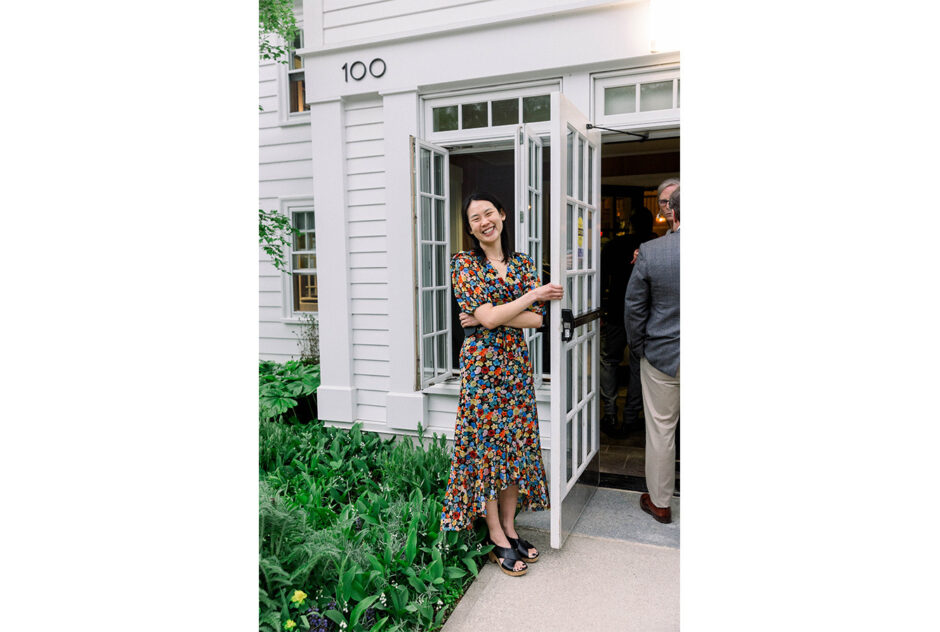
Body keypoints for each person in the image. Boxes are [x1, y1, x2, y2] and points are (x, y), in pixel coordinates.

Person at [440, 191, 564, 577]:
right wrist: (523, 300)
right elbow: (506, 315)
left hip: (515, 368)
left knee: (513, 446)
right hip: (481, 372)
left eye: (488, 213)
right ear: (471, 229)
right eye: (475, 218)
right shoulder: (464, 264)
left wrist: (489, 315)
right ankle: (495, 535)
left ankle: (511, 528)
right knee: (487, 451)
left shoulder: (523, 262)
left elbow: (537, 321)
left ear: (503, 215)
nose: (483, 221)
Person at [625, 186, 680, 524]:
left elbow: (634, 307)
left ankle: (660, 503)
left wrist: (640, 348)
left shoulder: (652, 251)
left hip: (663, 354)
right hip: (664, 352)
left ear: (671, 212)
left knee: (661, 430)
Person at [600, 207, 658, 438]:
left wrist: (601, 309)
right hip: (646, 315)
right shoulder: (657, 246)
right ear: (651, 224)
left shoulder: (614, 245)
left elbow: (601, 277)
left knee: (609, 361)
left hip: (615, 310)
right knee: (637, 365)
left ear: (630, 223)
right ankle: (631, 417)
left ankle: (611, 412)